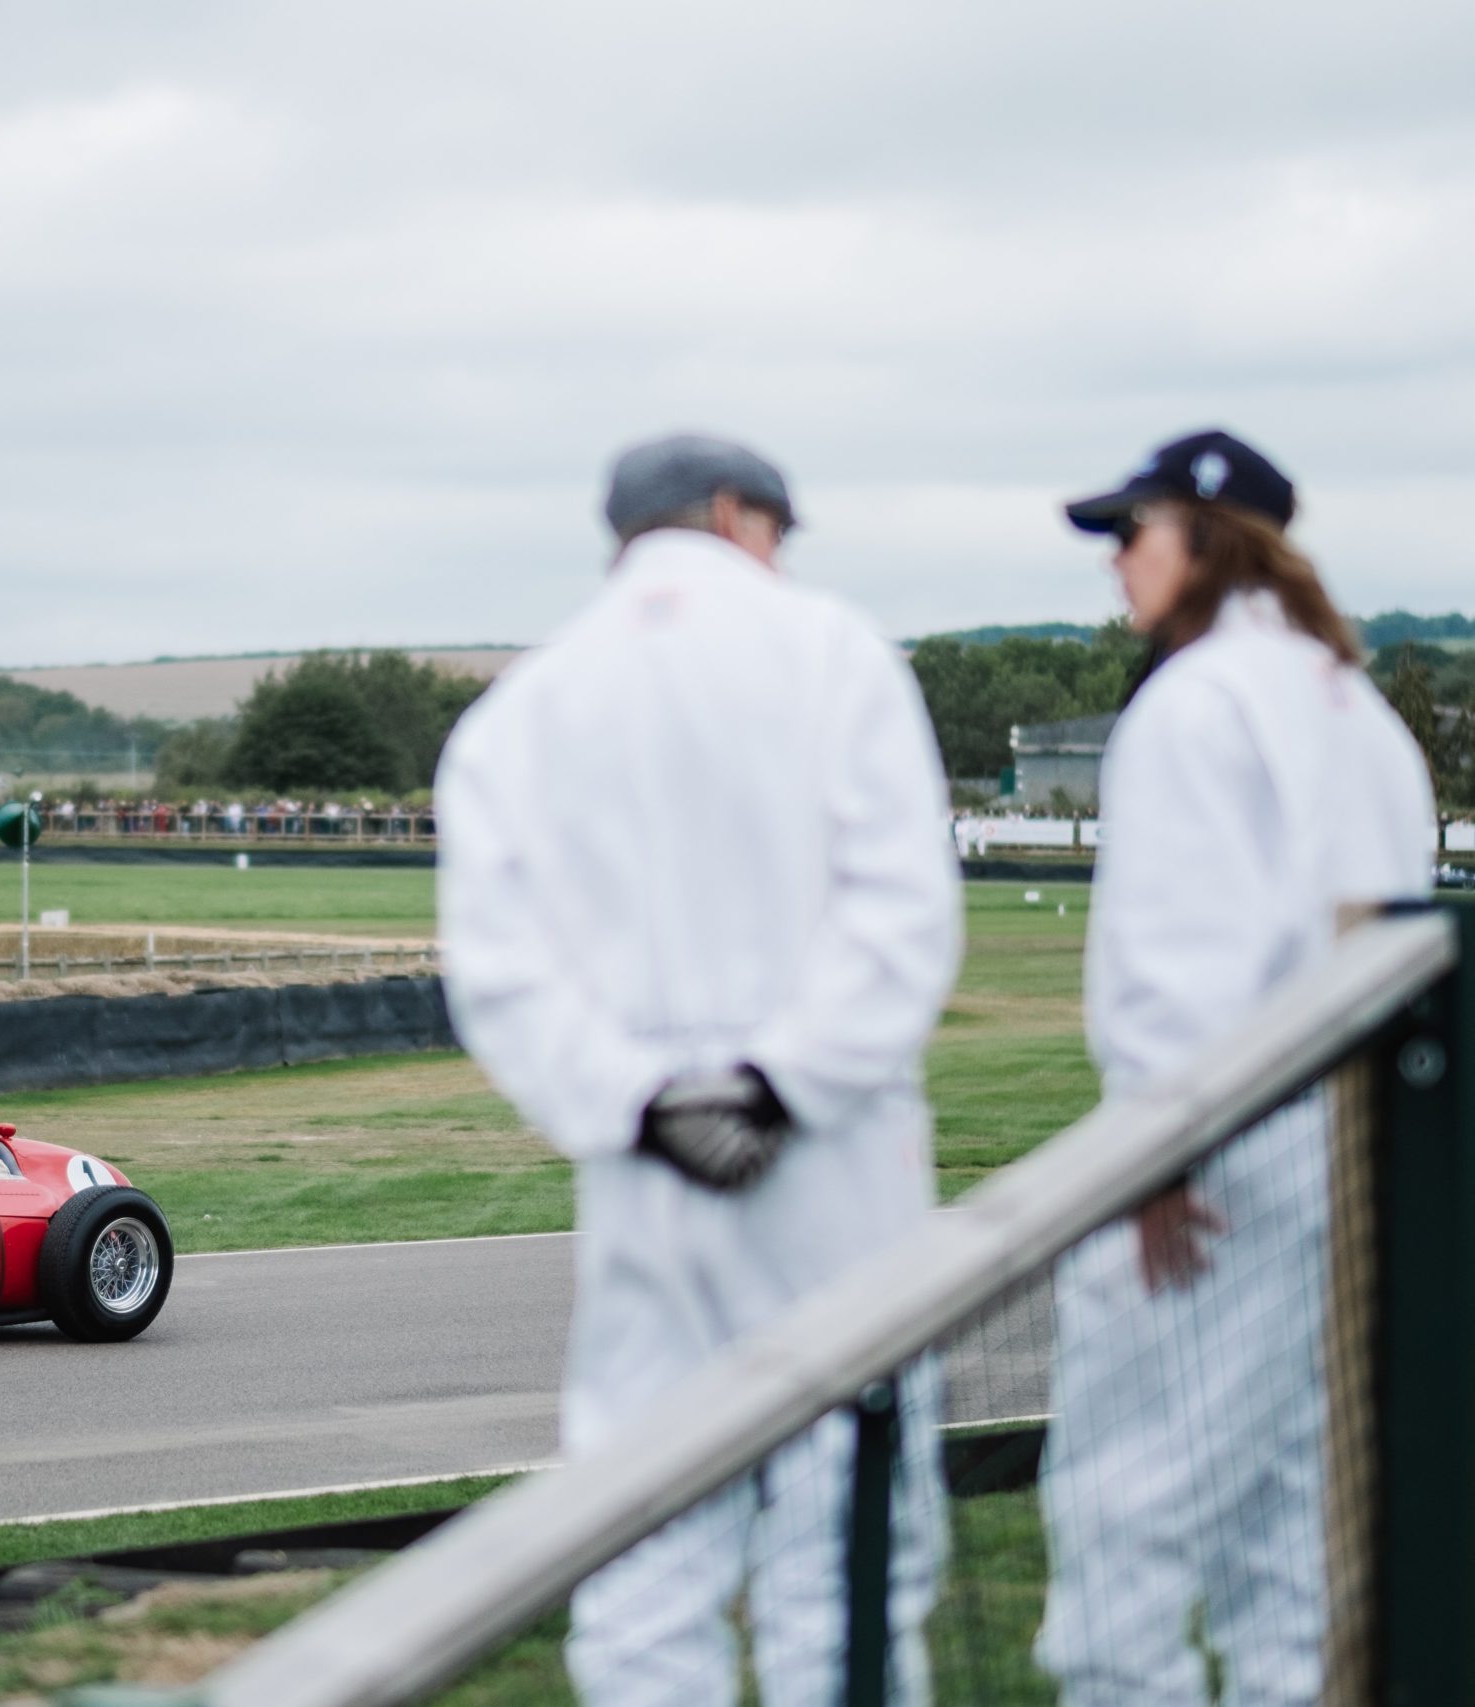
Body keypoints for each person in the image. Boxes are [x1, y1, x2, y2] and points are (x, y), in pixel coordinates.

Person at [437, 433, 962, 1707]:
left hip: (648, 1168)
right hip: (831, 1151)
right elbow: (901, 912)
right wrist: (780, 1084)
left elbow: (500, 972)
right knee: (848, 1535)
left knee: (643, 1531)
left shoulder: (527, 704)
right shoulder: (834, 651)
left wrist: (638, 1101)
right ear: (738, 517)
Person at [1034, 430, 1432, 1706]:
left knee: (1120, 1544)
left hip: (1210, 1166)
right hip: (1351, 1160)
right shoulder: (1349, 704)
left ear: (1204, 538)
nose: (1115, 569)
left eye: (1130, 536)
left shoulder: (1195, 700)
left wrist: (1156, 1150)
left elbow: (1174, 962)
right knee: (1292, 1552)